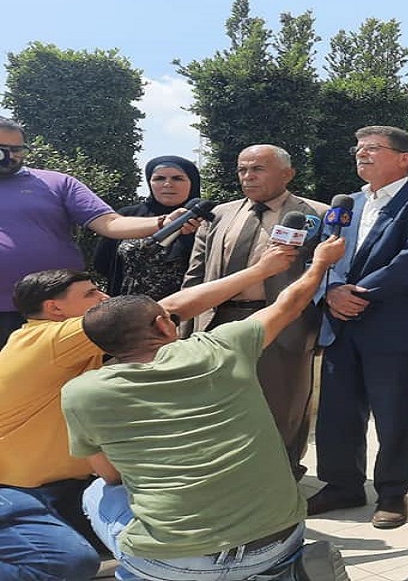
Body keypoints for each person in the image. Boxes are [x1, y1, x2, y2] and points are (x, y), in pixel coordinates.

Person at [0, 245, 298, 581]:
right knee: (68, 563)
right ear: (54, 309)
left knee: (154, 529)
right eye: (91, 294)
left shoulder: (73, 350)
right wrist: (261, 271)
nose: (105, 297)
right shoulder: (48, 341)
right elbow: (167, 309)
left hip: (64, 487)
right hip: (14, 491)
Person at [60, 236, 348, 581]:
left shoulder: (81, 393)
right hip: (279, 542)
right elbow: (290, 304)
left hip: (181, 562)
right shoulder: (221, 348)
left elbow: (110, 476)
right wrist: (321, 262)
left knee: (98, 493)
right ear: (163, 325)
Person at [306, 126, 408, 529]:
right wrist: (330, 291)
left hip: (395, 326)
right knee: (337, 413)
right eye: (358, 148)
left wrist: (356, 294)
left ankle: (392, 492)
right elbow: (320, 256)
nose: (361, 154)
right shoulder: (346, 204)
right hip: (341, 323)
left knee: (395, 414)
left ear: (404, 158)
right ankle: (342, 485)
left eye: (372, 148)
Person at [182, 144, 327, 478]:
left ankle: (283, 476)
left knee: (283, 405)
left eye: (258, 169)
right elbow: (196, 273)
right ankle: (227, 475)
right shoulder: (220, 214)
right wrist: (186, 326)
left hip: (282, 323)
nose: (248, 176)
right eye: (242, 170)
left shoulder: (316, 213)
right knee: (217, 404)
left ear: (287, 174)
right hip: (218, 321)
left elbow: (328, 274)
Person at [0, 117, 195, 347]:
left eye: (17, 149)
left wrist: (163, 222)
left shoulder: (57, 183)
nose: (10, 156)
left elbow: (109, 223)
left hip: (60, 309)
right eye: (2, 149)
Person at [94, 155, 201, 299]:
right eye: (159, 178)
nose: (167, 184)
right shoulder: (127, 216)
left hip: (188, 306)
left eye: (177, 178)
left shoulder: (205, 219)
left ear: (192, 183)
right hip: (127, 307)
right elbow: (102, 262)